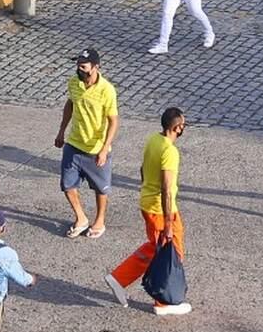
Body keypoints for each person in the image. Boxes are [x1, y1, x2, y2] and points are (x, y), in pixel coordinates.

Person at [105, 106, 191, 317]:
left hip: (148, 203)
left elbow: (143, 169)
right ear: (178, 127)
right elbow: (167, 189)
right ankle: (163, 301)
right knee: (171, 252)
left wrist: (147, 189)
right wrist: (169, 223)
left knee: (156, 248)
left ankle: (119, 278)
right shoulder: (170, 152)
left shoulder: (154, 139)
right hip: (161, 210)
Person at [54, 47, 118, 239]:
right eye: (78, 66)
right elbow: (70, 104)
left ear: (96, 67)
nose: (79, 70)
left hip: (95, 148)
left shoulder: (107, 90)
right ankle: (81, 218)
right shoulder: (74, 83)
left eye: (83, 66)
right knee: (67, 185)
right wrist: (61, 131)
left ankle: (99, 221)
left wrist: (105, 149)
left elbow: (114, 121)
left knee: (100, 188)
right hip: (74, 143)